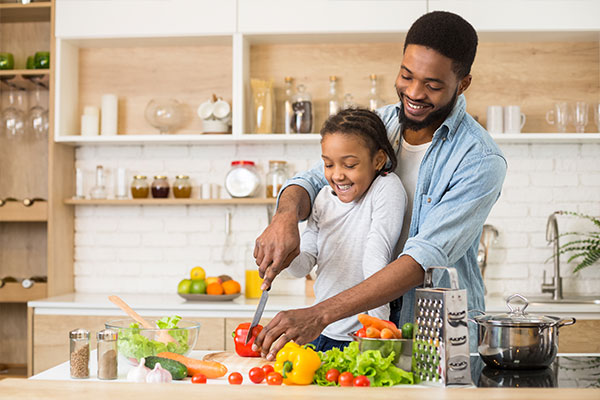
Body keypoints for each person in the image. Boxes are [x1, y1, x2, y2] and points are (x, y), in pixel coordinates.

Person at [253, 11, 507, 360]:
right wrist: (284, 218)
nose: (414, 93)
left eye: (432, 85)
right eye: (406, 76)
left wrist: (322, 312)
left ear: (462, 84)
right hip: (354, 326)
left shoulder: (480, 160)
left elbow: (423, 259)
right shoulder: (381, 122)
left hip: (433, 333)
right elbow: (311, 182)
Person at [286, 108, 407, 352]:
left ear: (378, 160)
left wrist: (380, 331)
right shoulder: (322, 198)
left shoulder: (386, 188)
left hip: (364, 336)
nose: (337, 175)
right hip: (321, 331)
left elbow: (376, 257)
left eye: (350, 164)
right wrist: (285, 254)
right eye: (328, 164)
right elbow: (304, 265)